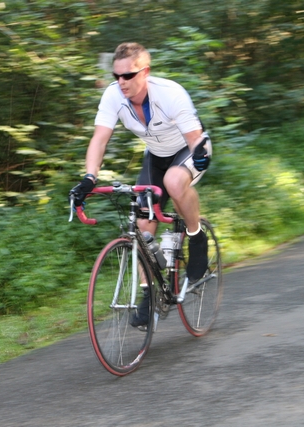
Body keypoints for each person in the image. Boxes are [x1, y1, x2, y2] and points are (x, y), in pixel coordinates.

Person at [70, 42, 212, 326]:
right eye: (116, 75)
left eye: (128, 75)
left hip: (190, 149)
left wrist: (199, 158)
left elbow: (194, 138)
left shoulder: (170, 94)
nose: (121, 82)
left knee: (174, 182)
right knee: (142, 224)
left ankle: (196, 236)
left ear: (145, 72)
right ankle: (150, 294)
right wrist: (89, 177)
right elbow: (99, 139)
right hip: (156, 155)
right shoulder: (114, 95)